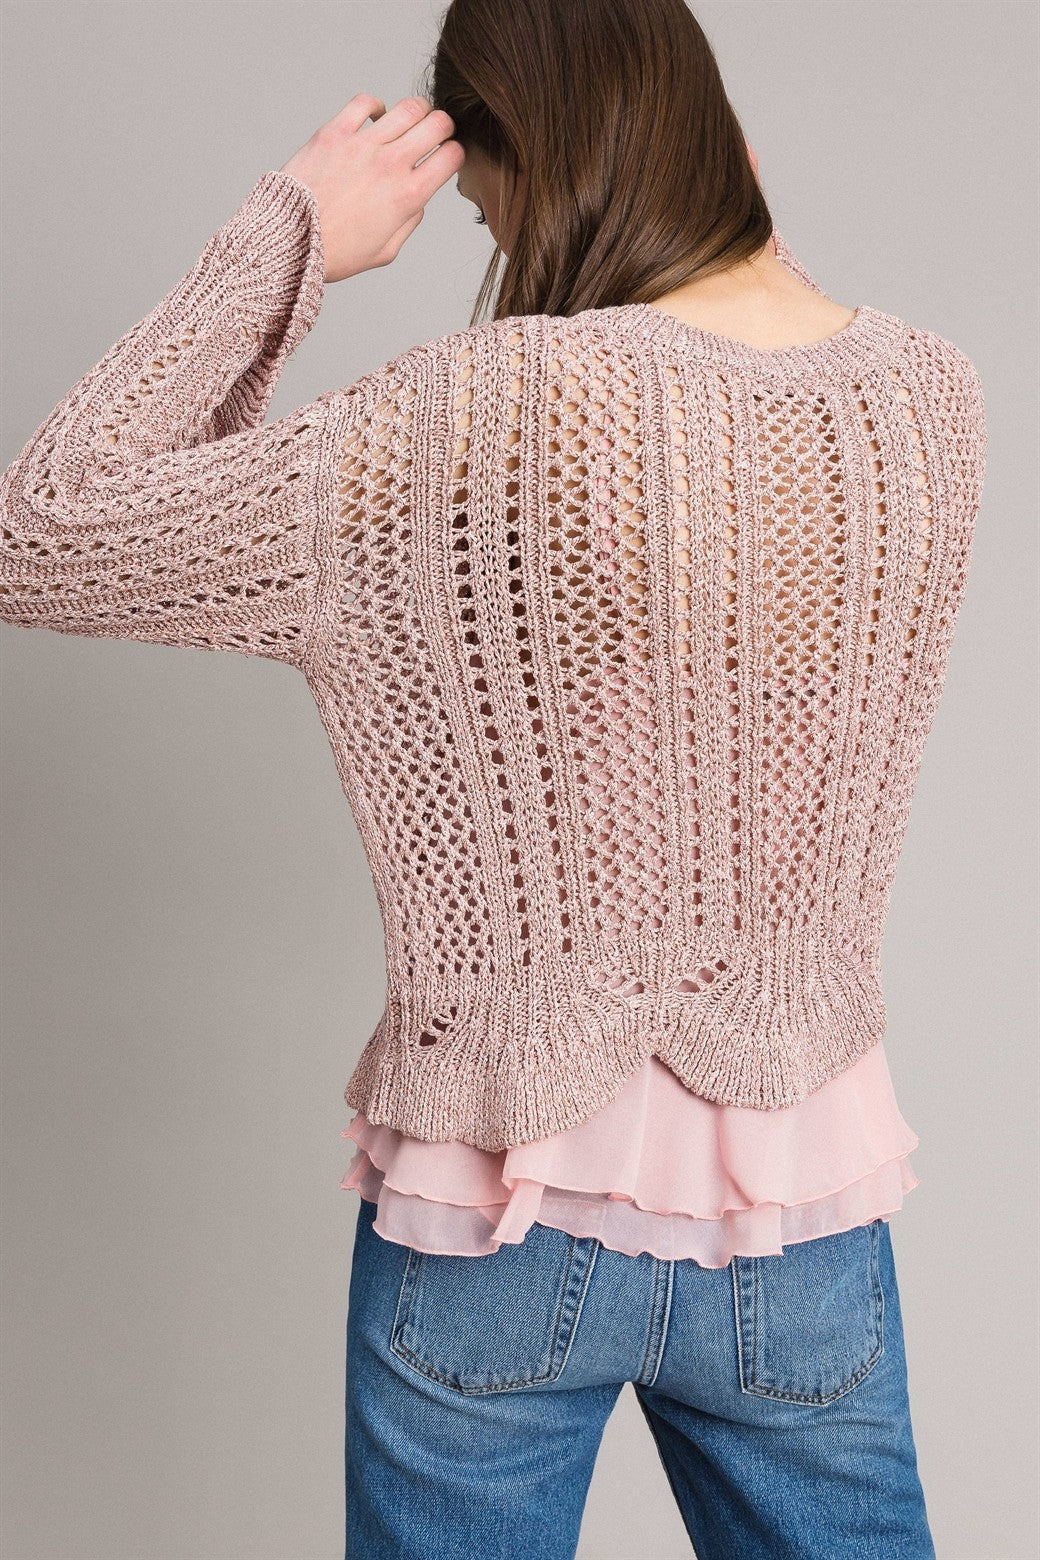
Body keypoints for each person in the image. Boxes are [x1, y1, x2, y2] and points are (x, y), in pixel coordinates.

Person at [0, 1, 987, 1556]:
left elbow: (44, 530)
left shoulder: (469, 416)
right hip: (799, 1213)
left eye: (487, 204)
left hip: (491, 1214)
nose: (502, 238)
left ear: (539, 155)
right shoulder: (926, 401)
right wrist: (733, 202)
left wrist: (287, 237)